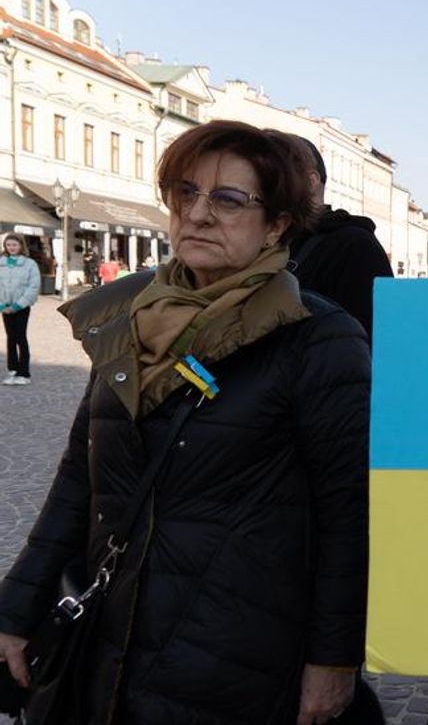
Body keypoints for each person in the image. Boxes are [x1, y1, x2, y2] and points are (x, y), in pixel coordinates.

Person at [0, 120, 372, 724]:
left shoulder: (319, 338)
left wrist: (333, 661)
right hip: (107, 639)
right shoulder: (128, 317)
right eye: (185, 193)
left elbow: (349, 514)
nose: (198, 214)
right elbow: (79, 479)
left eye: (228, 200)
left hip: (237, 657)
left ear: (277, 224)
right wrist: (17, 608)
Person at [278, 134, 394, 341]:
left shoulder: (355, 246)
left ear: (311, 181)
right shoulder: (260, 241)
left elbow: (373, 340)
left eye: (273, 176)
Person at [0, 234, 41, 386]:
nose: (11, 248)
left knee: (20, 338)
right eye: (9, 245)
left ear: (21, 246)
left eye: (14, 245)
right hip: (5, 307)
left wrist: (17, 305)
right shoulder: (1, 263)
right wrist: (2, 305)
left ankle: (24, 372)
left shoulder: (29, 264)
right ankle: (12, 370)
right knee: (10, 338)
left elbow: (33, 287)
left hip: (21, 307)